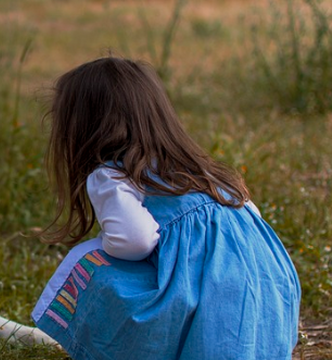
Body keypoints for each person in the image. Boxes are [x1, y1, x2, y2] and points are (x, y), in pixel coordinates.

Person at [31, 57, 300, 360]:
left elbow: (135, 240)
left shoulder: (112, 175)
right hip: (268, 301)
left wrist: (103, 245)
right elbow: (252, 221)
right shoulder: (199, 168)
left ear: (83, 128)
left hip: (208, 312)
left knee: (90, 265)